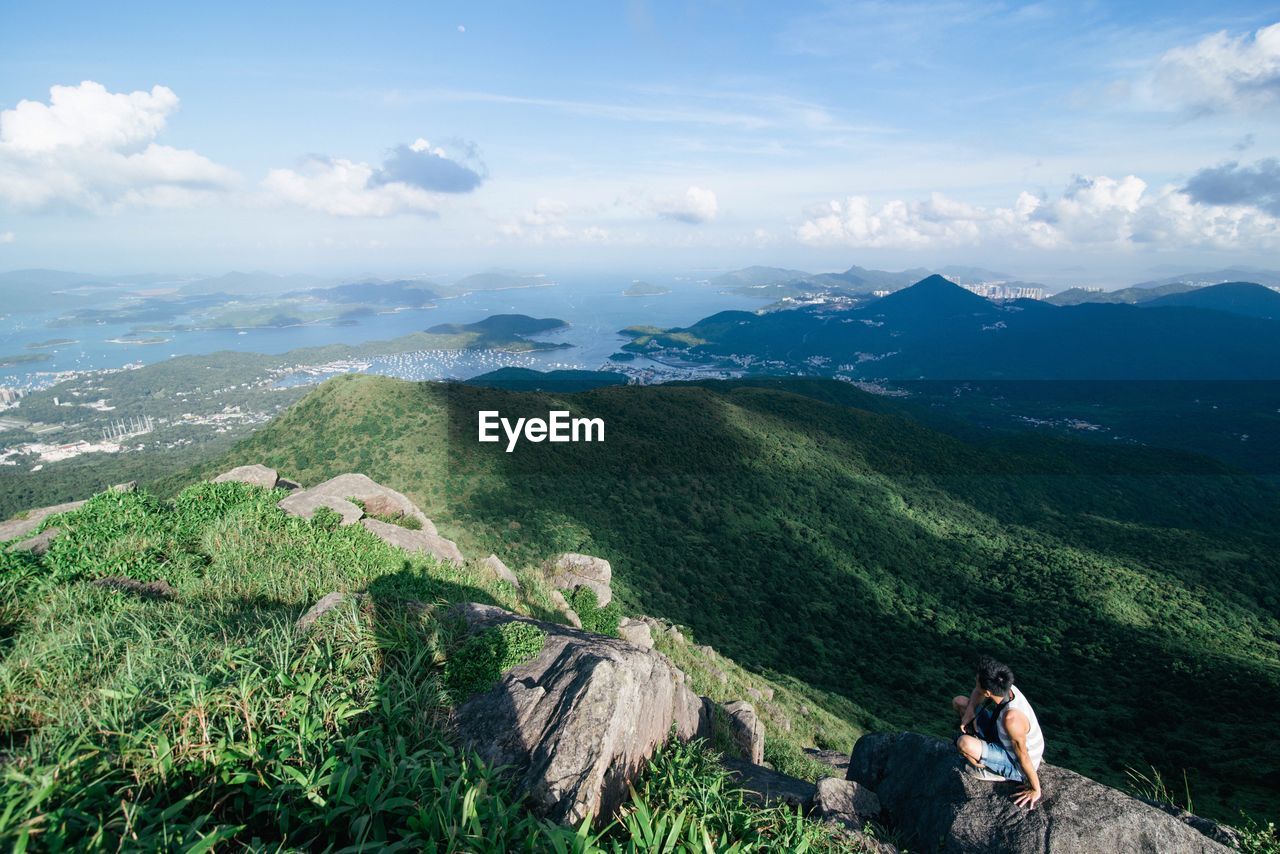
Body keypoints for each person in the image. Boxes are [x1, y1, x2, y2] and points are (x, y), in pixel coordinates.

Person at [952, 654, 1044, 810]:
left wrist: (1035, 789)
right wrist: (970, 711)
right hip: (1003, 737)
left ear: (988, 692)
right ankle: (985, 752)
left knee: (964, 743)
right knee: (960, 702)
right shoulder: (1005, 687)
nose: (975, 684)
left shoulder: (1012, 719)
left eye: (977, 682)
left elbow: (1022, 754)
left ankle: (992, 771)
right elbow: (978, 691)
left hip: (1015, 761)